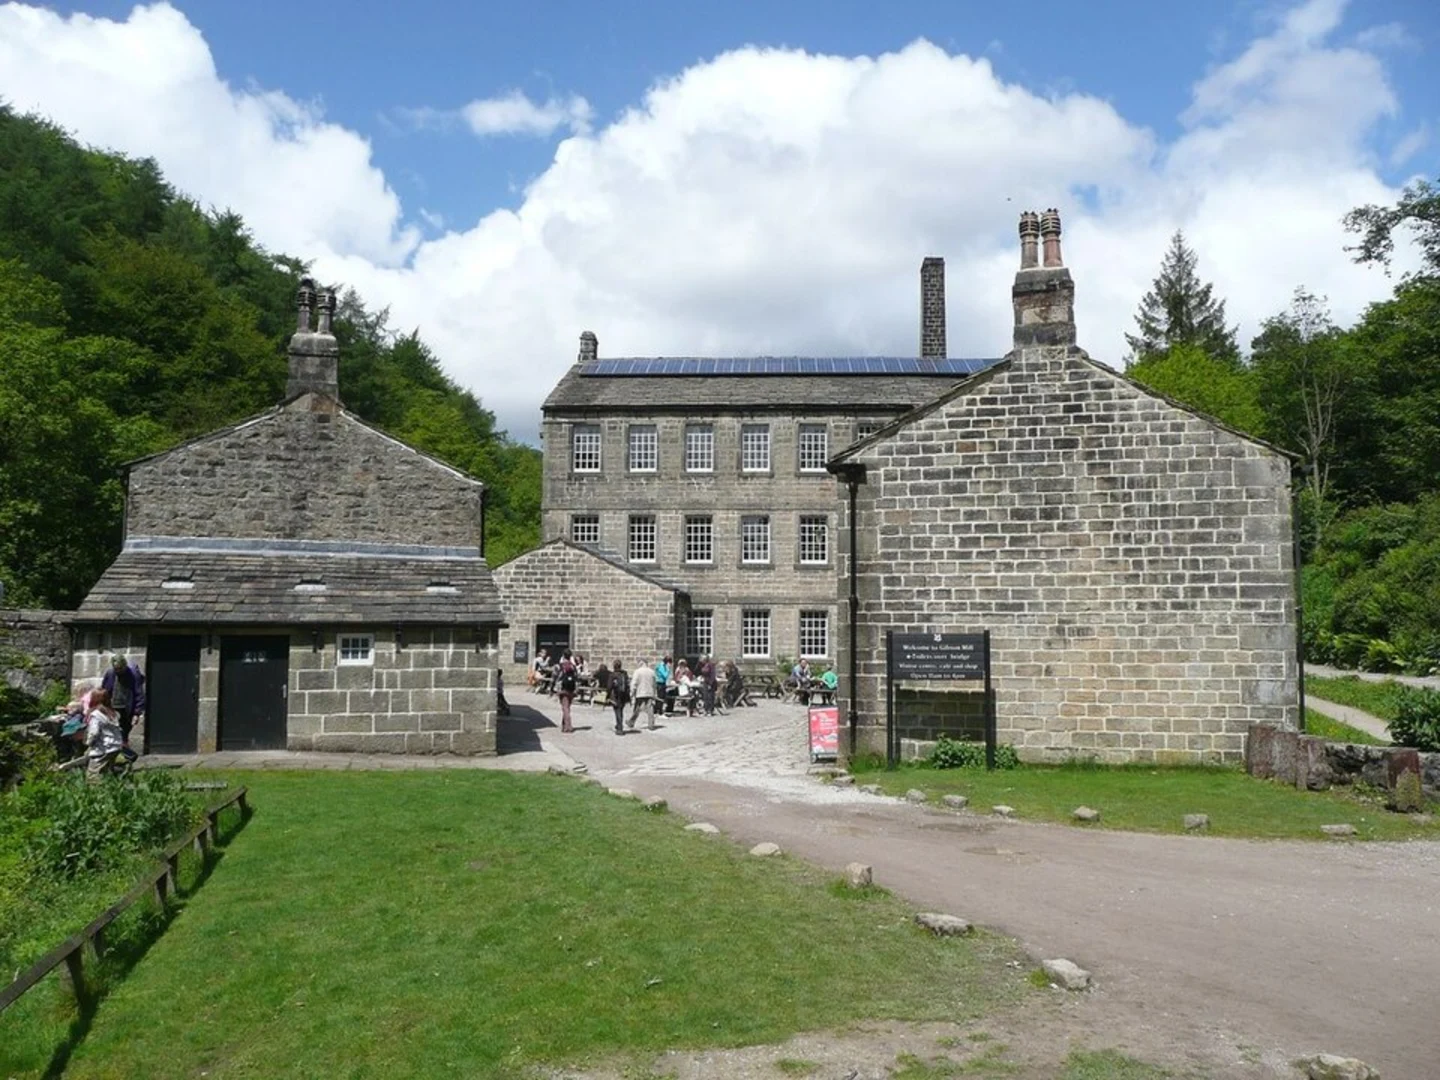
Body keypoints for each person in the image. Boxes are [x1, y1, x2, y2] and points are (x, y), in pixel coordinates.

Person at [56, 688, 135, 782]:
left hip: (104, 748)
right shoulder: (113, 713)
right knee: (107, 771)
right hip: (116, 746)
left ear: (94, 700)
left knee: (92, 775)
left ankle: (97, 789)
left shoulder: (96, 714)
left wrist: (88, 742)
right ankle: (112, 784)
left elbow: (94, 732)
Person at [101, 654, 145, 746]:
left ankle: (123, 748)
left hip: (127, 708)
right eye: (116, 669)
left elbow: (139, 693)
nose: (118, 671)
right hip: (112, 707)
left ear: (125, 666)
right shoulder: (110, 673)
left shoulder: (133, 674)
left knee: (124, 732)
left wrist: (137, 713)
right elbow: (104, 690)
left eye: (120, 668)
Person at [629, 657, 657, 732]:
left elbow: (634, 683)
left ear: (641, 663)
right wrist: (654, 693)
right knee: (650, 709)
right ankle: (651, 724)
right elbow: (654, 684)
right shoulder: (652, 672)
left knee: (637, 709)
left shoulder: (637, 672)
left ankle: (631, 722)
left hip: (640, 692)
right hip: (649, 692)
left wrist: (632, 693)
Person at [555, 650, 578, 733]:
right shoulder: (573, 666)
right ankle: (564, 725)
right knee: (567, 707)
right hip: (571, 689)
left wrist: (553, 688)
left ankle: (568, 726)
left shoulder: (559, 666)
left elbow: (555, 676)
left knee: (565, 708)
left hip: (563, 688)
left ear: (563, 655)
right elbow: (576, 677)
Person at [608, 659, 630, 735]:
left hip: (615, 695)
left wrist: (607, 695)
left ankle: (620, 728)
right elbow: (627, 684)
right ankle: (618, 725)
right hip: (623, 695)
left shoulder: (612, 675)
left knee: (617, 711)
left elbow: (609, 687)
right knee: (620, 710)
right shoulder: (624, 674)